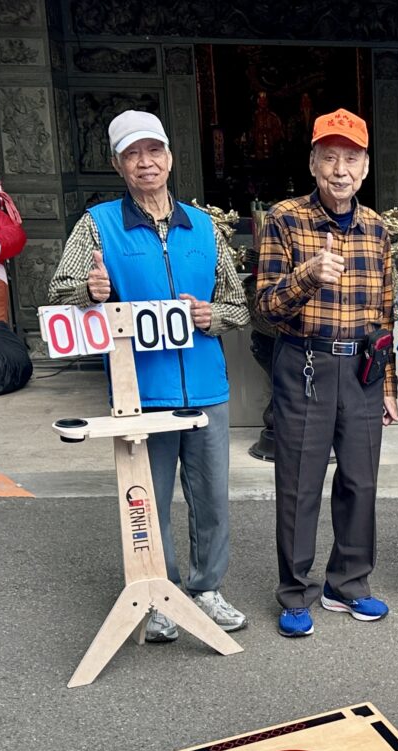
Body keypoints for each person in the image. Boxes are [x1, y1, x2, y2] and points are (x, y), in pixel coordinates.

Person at [49, 110, 250, 641]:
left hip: (206, 388)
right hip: (141, 393)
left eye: (153, 151)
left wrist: (211, 315)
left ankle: (207, 589)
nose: (145, 163)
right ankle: (160, 593)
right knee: (149, 500)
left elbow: (237, 305)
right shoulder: (98, 225)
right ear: (119, 165)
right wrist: (88, 292)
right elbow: (59, 297)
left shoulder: (203, 227)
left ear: (170, 157)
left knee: (211, 498)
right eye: (132, 154)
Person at [256, 108, 398, 638]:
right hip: (305, 362)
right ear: (313, 163)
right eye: (331, 158)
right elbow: (265, 308)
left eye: (352, 159)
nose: (341, 170)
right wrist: (309, 276)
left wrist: (388, 384)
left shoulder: (376, 228)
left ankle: (349, 583)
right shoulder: (285, 218)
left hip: (363, 367)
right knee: (299, 482)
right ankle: (295, 592)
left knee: (360, 480)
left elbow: (385, 314)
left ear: (366, 168)